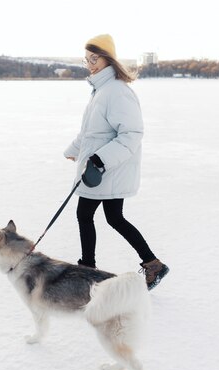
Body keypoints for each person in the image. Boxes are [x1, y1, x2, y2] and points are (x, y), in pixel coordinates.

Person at [63, 34, 169, 290]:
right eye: (87, 59)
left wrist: (99, 160)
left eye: (95, 58)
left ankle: (87, 270)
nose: (90, 63)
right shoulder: (101, 90)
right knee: (114, 218)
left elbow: (131, 134)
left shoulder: (117, 92)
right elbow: (91, 132)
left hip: (106, 168)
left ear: (108, 58)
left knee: (85, 214)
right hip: (103, 168)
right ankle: (153, 264)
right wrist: (74, 149)